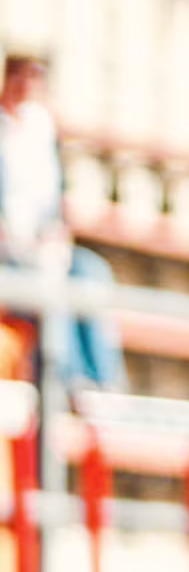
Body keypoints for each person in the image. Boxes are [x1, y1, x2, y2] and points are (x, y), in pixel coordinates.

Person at [0, 54, 120, 395]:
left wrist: (57, 232)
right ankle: (68, 380)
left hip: (42, 244)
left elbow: (56, 197)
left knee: (92, 273)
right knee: (50, 283)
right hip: (10, 249)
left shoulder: (43, 131)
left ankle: (103, 379)